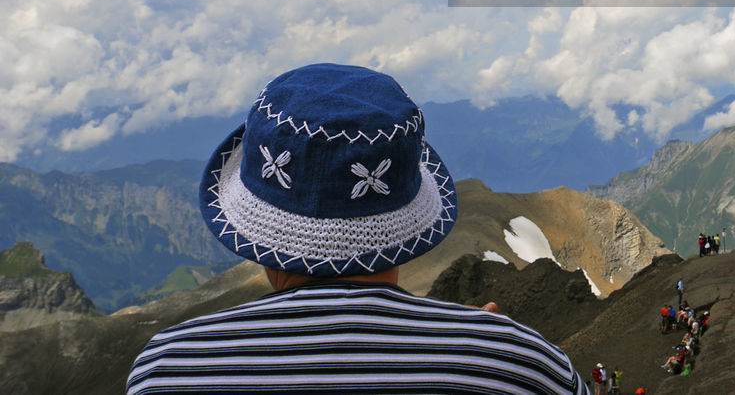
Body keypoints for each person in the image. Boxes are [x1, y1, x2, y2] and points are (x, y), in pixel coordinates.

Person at [127, 63, 589, 395]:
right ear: (407, 225)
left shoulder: (166, 368)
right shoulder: (525, 365)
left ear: (257, 233)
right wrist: (484, 355)